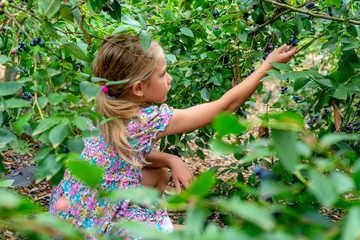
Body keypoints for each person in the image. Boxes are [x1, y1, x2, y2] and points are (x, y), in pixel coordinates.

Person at [49, 34, 296, 239]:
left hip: (68, 211)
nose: (170, 79)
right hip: (93, 226)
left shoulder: (105, 101)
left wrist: (171, 159)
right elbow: (224, 107)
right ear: (138, 88)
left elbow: (120, 154)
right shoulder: (143, 120)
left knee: (160, 173)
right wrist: (267, 67)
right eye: (163, 74)